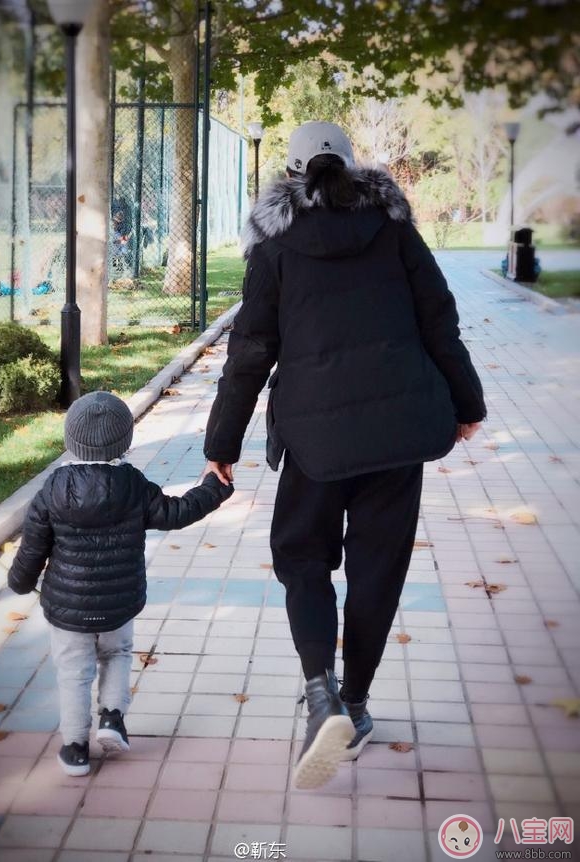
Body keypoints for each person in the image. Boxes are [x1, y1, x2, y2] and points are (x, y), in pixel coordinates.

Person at [203, 121, 486, 789]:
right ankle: (354, 705)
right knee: (378, 568)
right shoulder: (393, 230)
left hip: (315, 437)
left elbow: (250, 351)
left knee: (302, 556)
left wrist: (222, 442)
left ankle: (319, 690)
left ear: (294, 172)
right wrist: (466, 403)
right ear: (353, 167)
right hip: (399, 431)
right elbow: (438, 317)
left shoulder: (274, 245)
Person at [8, 391, 233, 776]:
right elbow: (176, 513)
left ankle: (76, 748)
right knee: (117, 655)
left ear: (70, 439)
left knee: (74, 674)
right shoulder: (133, 485)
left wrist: (20, 581)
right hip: (119, 604)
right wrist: (215, 488)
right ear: (124, 441)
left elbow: (33, 549)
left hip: (68, 608)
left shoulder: (52, 489)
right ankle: (112, 719)